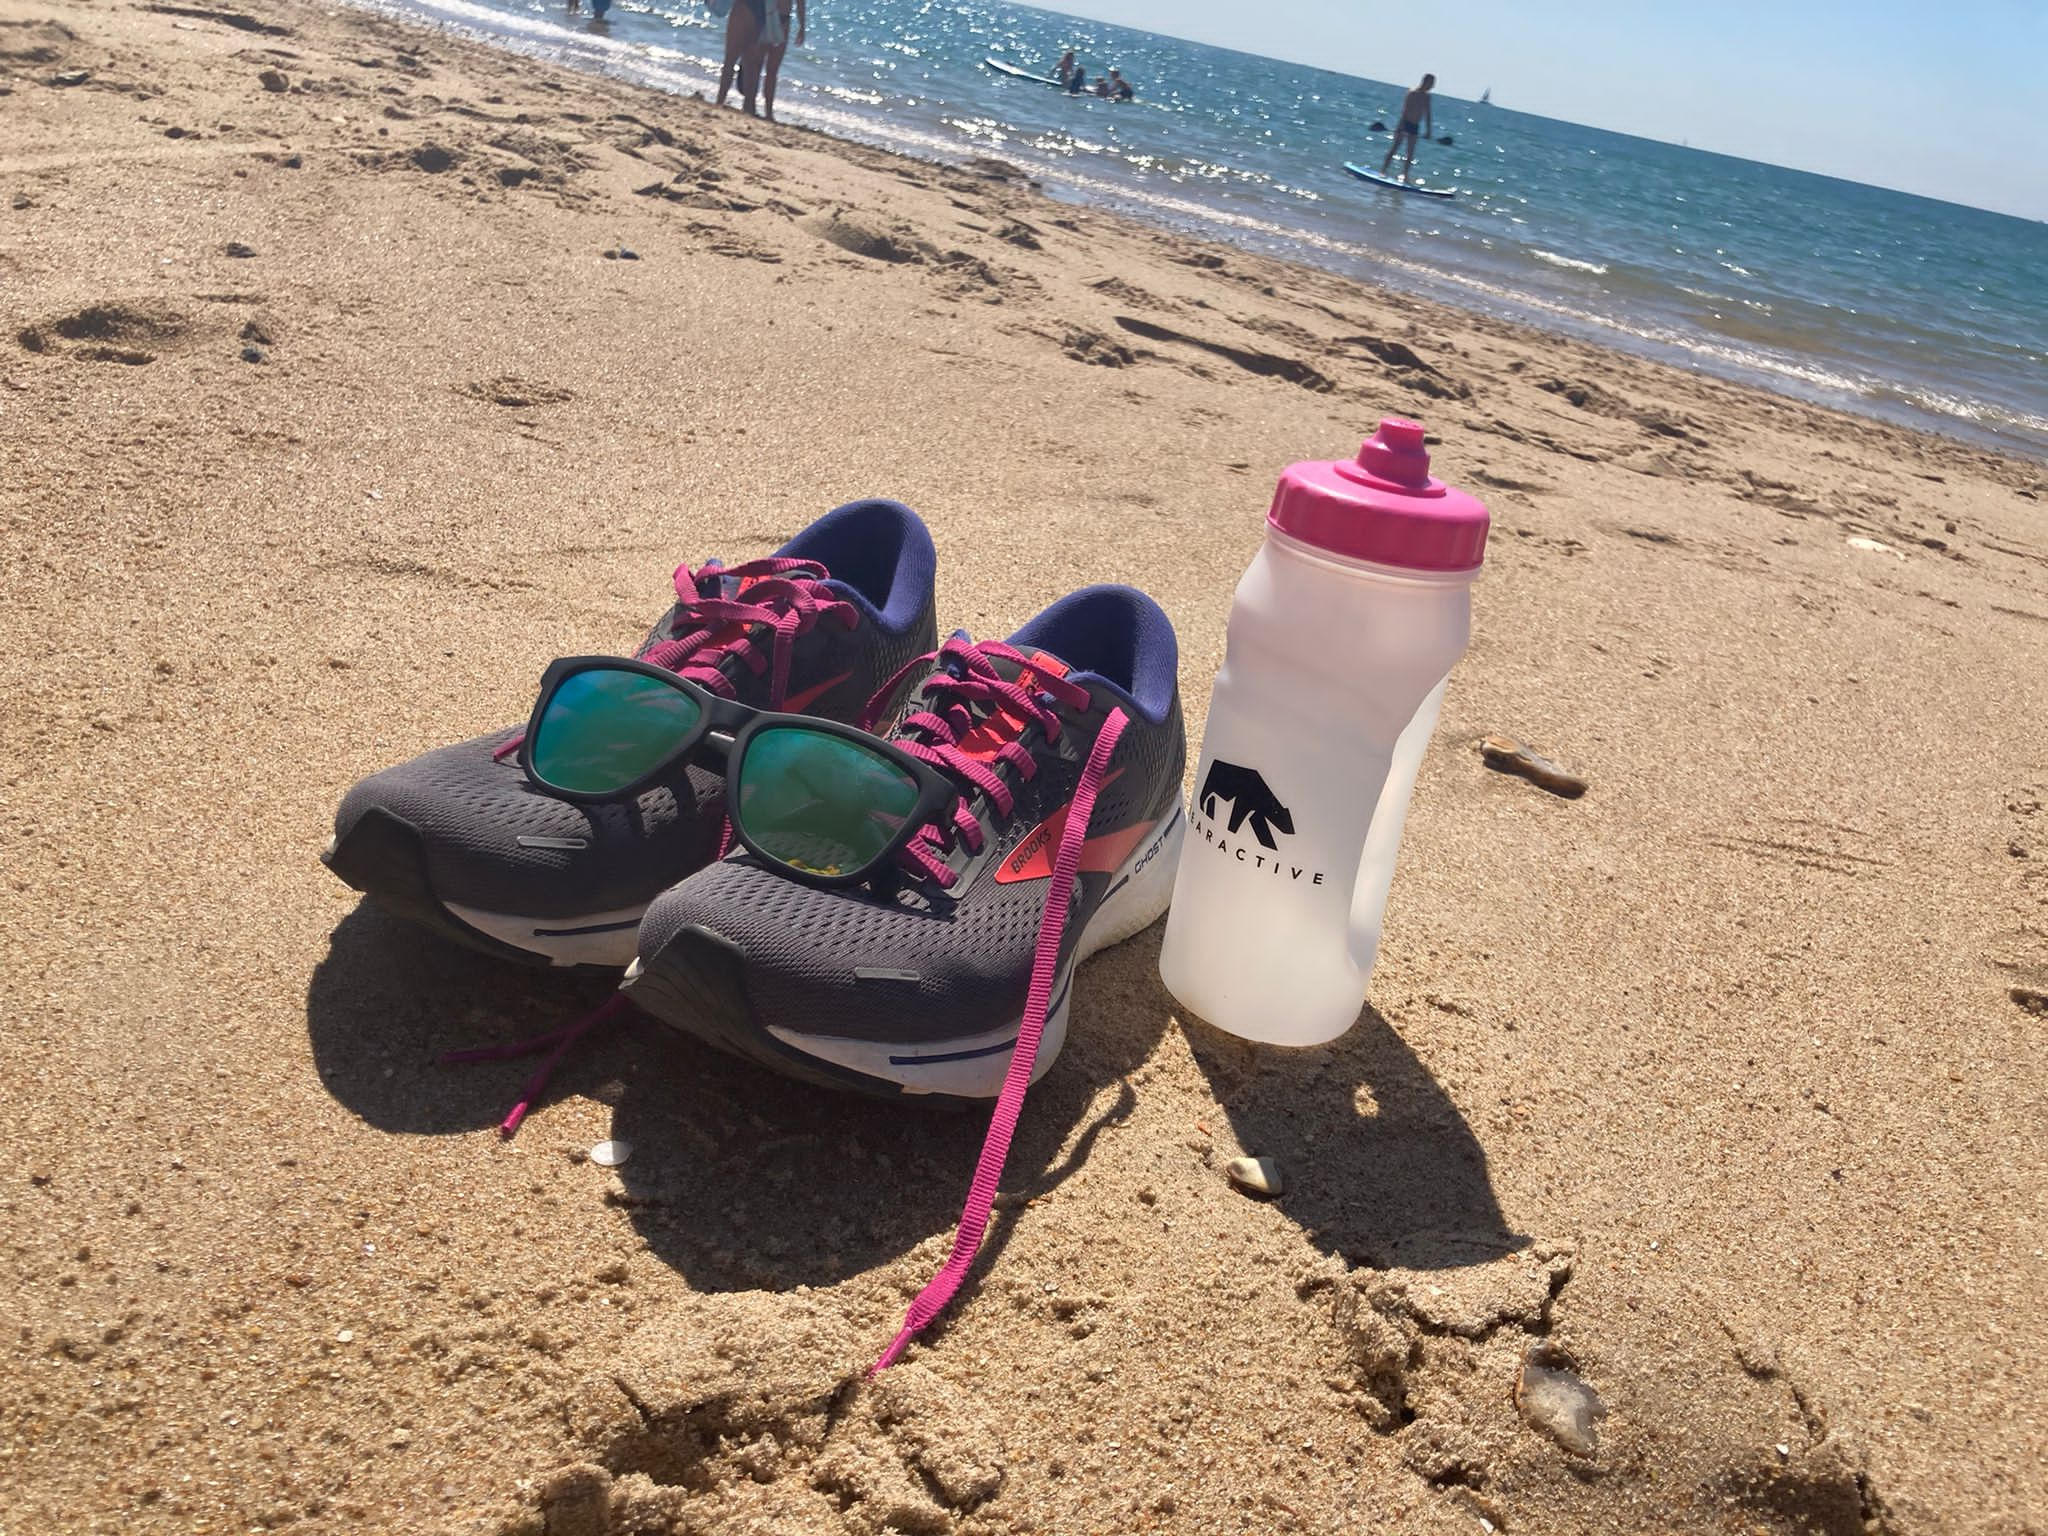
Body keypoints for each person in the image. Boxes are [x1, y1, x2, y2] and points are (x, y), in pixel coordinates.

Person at [717, 0, 806, 121]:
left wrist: (802, 25)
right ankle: (742, 104)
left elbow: (800, 2)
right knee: (752, 64)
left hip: (775, 16)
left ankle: (762, 110)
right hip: (762, 13)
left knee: (765, 68)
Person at [1380, 72, 1435, 181]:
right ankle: (1383, 171)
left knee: (1410, 153)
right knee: (1394, 148)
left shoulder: (1427, 97)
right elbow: (1405, 110)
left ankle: (1405, 176)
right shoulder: (1412, 93)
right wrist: (1400, 127)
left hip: (1415, 126)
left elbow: (1427, 114)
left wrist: (1428, 131)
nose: (1432, 86)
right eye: (1431, 83)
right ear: (1425, 81)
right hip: (1405, 123)